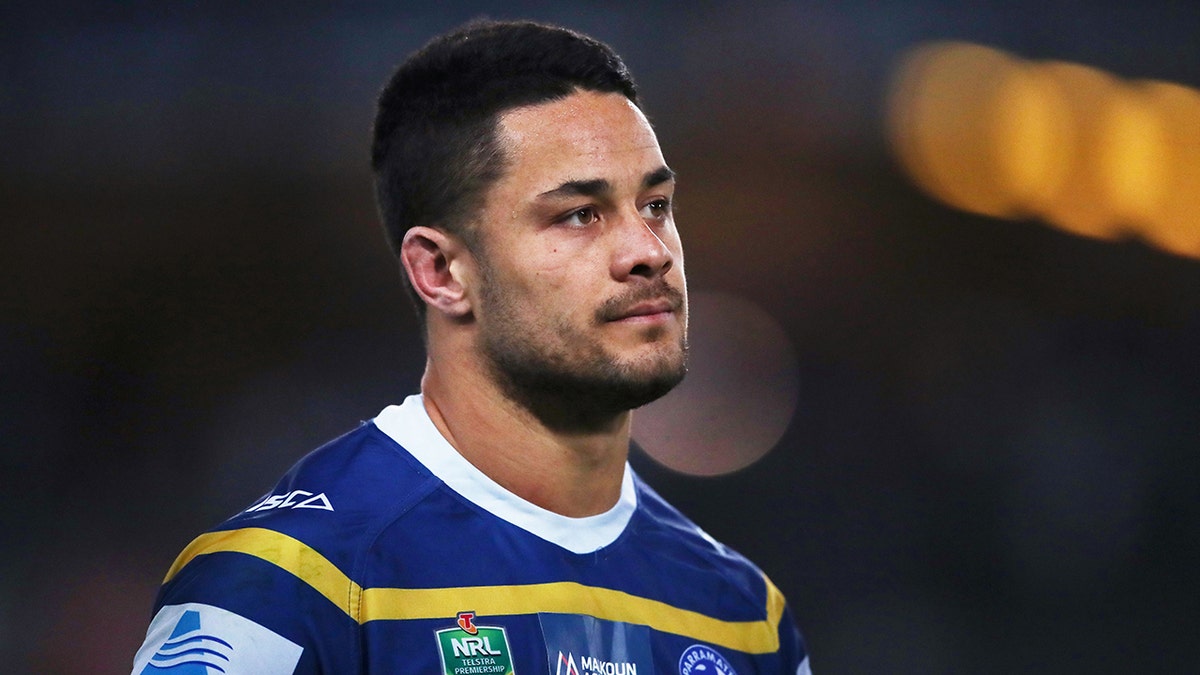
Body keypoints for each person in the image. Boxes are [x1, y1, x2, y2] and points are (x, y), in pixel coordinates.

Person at [131, 19, 811, 675]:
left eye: (656, 205)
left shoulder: (742, 615)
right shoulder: (288, 588)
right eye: (579, 214)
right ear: (440, 272)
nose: (648, 251)